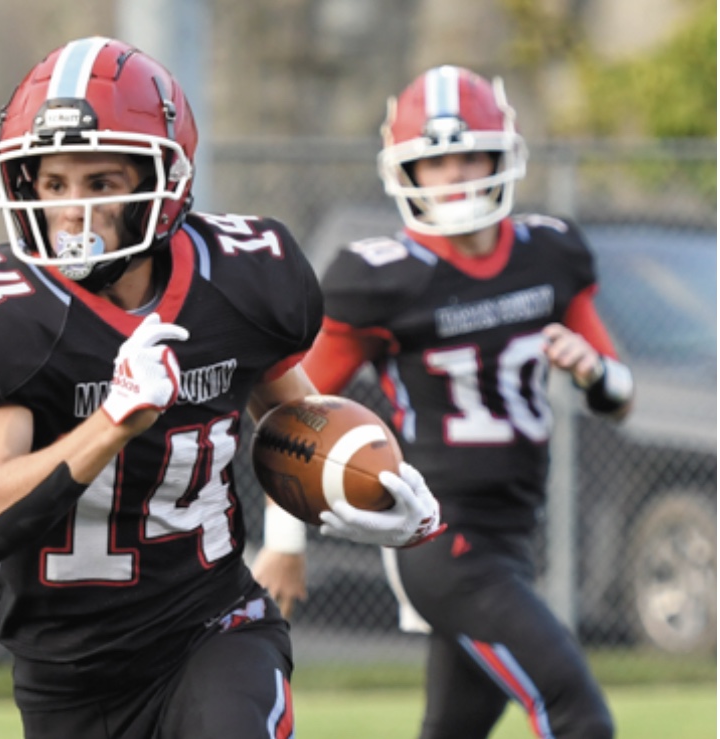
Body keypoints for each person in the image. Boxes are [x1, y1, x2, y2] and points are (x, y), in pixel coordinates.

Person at [0, 36, 442, 739]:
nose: (73, 212)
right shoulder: (9, 318)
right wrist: (114, 419)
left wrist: (373, 490)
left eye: (101, 184)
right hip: (65, 676)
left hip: (210, 629)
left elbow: (298, 418)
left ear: (165, 180)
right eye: (54, 183)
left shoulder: (236, 283)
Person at [253, 65, 634, 738]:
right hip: (437, 532)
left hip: (516, 530)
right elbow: (299, 414)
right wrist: (285, 541)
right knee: (576, 709)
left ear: (502, 153)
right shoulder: (378, 277)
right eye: (434, 161)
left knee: (452, 727)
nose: (454, 174)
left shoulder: (550, 251)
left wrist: (594, 372)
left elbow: (620, 398)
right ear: (405, 172)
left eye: (468, 155)